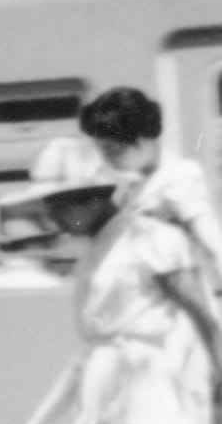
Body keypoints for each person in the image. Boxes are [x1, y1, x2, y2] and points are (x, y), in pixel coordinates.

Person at [23, 131, 222, 424]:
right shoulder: (95, 247)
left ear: (95, 196)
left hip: (148, 387)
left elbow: (202, 314)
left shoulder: (153, 239)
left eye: (61, 205)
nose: (53, 218)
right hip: (102, 385)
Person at [83, 83, 222, 297]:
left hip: (178, 306)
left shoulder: (178, 179)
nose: (106, 160)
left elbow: (214, 241)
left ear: (142, 137)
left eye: (113, 151)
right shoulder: (139, 185)